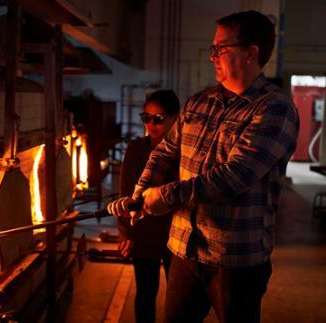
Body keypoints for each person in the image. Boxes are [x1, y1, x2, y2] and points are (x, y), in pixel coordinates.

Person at [108, 10, 299, 323]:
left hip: (234, 260)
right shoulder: (199, 102)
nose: (213, 57)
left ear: (251, 53)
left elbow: (233, 177)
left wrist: (165, 195)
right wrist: (140, 193)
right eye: (213, 49)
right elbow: (164, 153)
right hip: (183, 250)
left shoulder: (275, 109)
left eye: (220, 49)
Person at [112, 90, 180, 323]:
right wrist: (125, 233)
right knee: (145, 294)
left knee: (179, 300)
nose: (151, 124)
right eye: (146, 118)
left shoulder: (184, 152)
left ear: (175, 119)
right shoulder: (136, 150)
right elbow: (126, 194)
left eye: (158, 119)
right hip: (144, 232)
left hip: (176, 233)